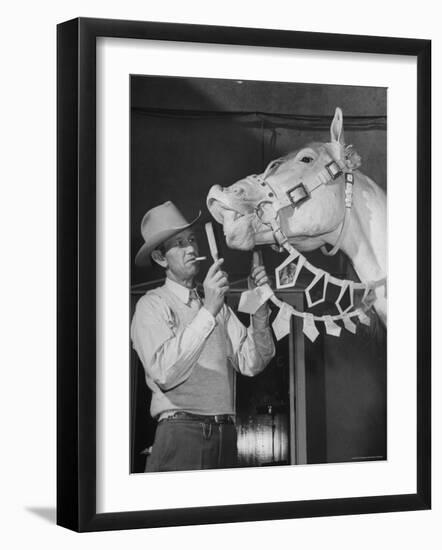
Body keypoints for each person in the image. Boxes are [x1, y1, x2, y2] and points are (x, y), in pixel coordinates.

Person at [131, 201, 275, 472]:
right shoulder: (152, 305)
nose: (191, 249)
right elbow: (164, 372)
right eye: (179, 244)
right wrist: (208, 309)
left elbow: (253, 362)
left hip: (227, 434)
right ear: (161, 258)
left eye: (192, 240)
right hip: (181, 433)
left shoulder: (215, 304)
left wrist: (258, 304)